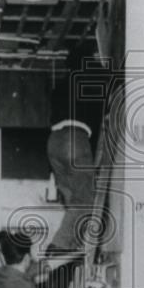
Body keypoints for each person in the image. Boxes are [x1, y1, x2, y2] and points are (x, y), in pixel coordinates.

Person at [46, 52, 104, 258]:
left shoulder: (62, 85)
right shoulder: (91, 79)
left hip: (54, 142)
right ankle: (59, 245)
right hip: (75, 139)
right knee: (86, 199)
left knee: (72, 199)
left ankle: (71, 242)